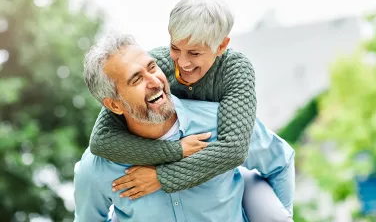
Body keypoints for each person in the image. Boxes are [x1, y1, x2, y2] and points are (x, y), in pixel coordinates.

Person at [75, 33, 295, 222]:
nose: (155, 81)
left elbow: (280, 162)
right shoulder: (97, 168)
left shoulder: (221, 123)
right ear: (114, 104)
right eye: (136, 79)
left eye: (153, 67)